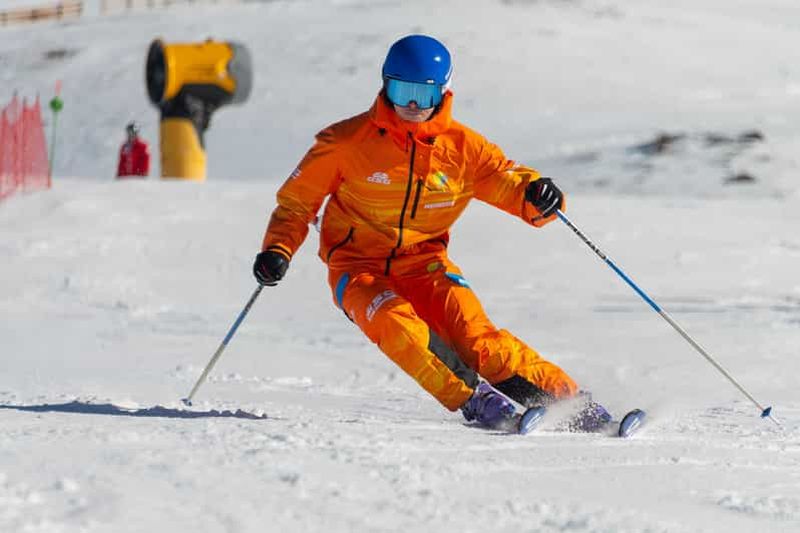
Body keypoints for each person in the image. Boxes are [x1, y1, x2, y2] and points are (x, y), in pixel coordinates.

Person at [254, 35, 609, 432]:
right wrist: (278, 250)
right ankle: (478, 401)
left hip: (426, 264)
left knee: (477, 339)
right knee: (395, 322)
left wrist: (538, 197)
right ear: (384, 85)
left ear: (442, 93)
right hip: (357, 267)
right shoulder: (344, 143)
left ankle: (573, 406)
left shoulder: (463, 149)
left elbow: (507, 181)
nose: (409, 106)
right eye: (400, 91)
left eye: (421, 96)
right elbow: (297, 205)